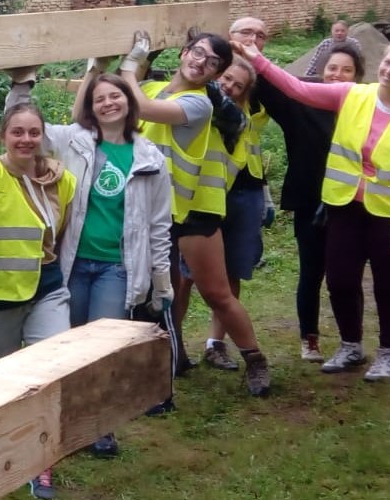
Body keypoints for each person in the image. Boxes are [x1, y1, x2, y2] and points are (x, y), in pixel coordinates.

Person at [6, 71, 175, 464]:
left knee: (101, 348)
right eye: (99, 99)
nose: (108, 103)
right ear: (90, 106)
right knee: (68, 345)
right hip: (73, 261)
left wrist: (161, 280)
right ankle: (65, 422)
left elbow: (159, 225)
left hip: (116, 267)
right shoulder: (73, 140)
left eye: (115, 96)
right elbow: (23, 125)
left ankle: (100, 427)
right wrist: (21, 83)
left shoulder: (150, 157)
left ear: (129, 101)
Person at [241, 39, 390, 381]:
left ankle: (388, 353)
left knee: (389, 285)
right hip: (344, 205)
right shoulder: (352, 95)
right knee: (341, 280)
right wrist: (258, 60)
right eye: (388, 62)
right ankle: (351, 346)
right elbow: (297, 89)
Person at [117, 31, 273, 396]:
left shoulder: (202, 103)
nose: (201, 62)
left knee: (217, 293)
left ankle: (255, 360)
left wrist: (130, 64)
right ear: (184, 52)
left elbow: (142, 108)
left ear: (214, 75)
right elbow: (125, 100)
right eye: (198, 52)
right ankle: (172, 357)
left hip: (194, 210)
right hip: (156, 213)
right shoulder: (154, 88)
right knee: (164, 293)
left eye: (212, 62)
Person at [0, 102, 77, 499]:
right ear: (2, 136)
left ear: (43, 136)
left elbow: (60, 233)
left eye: (33, 132)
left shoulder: (63, 181)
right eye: (17, 132)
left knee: (51, 371)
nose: (26, 139)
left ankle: (40, 462)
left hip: (47, 287)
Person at [254, 42, 365, 362]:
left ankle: (352, 341)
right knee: (311, 272)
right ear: (321, 70)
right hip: (309, 202)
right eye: (332, 68)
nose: (338, 75)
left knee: (347, 276)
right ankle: (309, 339)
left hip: (351, 204)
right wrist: (250, 53)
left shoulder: (364, 108)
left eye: (347, 70)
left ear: (357, 76)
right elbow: (268, 88)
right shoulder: (301, 103)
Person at [198, 55, 273, 372]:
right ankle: (175, 351)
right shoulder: (198, 99)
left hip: (244, 194)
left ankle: (215, 343)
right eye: (226, 78)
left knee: (231, 274)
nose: (229, 86)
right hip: (204, 193)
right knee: (185, 277)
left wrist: (266, 199)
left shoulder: (252, 110)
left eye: (238, 85)